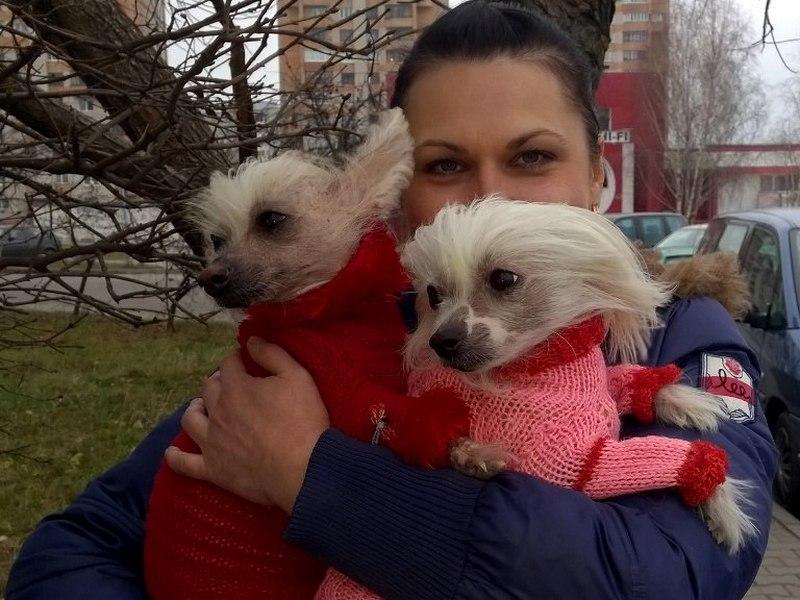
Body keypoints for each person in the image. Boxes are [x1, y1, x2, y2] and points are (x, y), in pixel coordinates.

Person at [7, 2, 777, 598]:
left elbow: (669, 573)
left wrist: (312, 475)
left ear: (596, 177)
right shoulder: (353, 343)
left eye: (532, 157)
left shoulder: (681, 333)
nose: (489, 196)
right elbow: (76, 545)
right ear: (399, 203)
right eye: (443, 166)